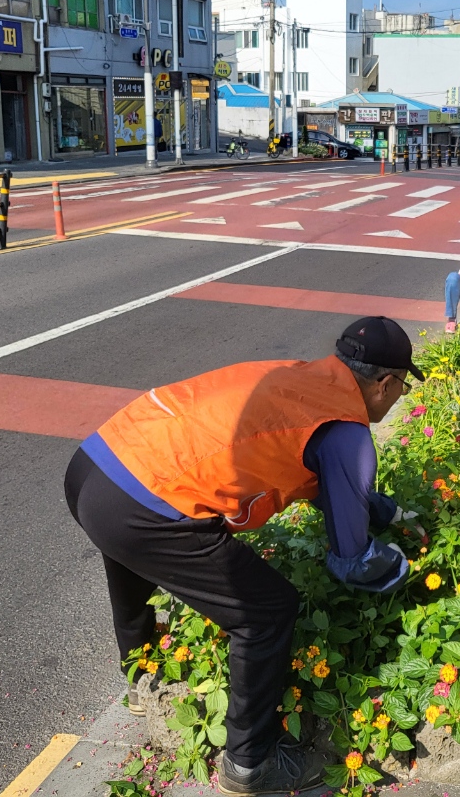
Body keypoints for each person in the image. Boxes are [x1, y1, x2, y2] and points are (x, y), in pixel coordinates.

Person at [65, 317, 422, 796]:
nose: (400, 395)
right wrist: (406, 565)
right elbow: (351, 561)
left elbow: (328, 482)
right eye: (402, 386)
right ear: (385, 383)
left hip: (97, 463)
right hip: (135, 505)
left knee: (130, 553)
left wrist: (386, 510)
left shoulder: (303, 379)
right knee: (267, 610)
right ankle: (249, 763)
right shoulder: (347, 431)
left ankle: (141, 676)